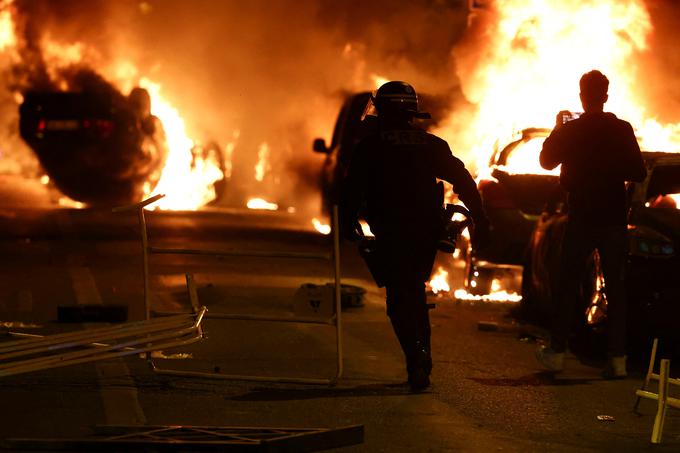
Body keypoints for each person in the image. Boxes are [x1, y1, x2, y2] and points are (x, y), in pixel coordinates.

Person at [340, 81, 490, 391]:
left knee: (398, 297)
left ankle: (415, 357)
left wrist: (347, 223)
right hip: (426, 231)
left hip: (391, 230)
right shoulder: (432, 145)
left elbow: (352, 190)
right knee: (416, 289)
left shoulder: (370, 146)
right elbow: (462, 178)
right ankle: (422, 356)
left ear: (382, 109)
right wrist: (480, 216)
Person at [536, 70, 646, 378]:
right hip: (612, 218)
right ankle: (618, 359)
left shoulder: (572, 130)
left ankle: (557, 353)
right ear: (606, 96)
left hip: (582, 217)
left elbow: (546, 161)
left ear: (582, 96)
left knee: (567, 284)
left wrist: (558, 128)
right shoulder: (622, 129)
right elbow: (637, 171)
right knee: (617, 288)